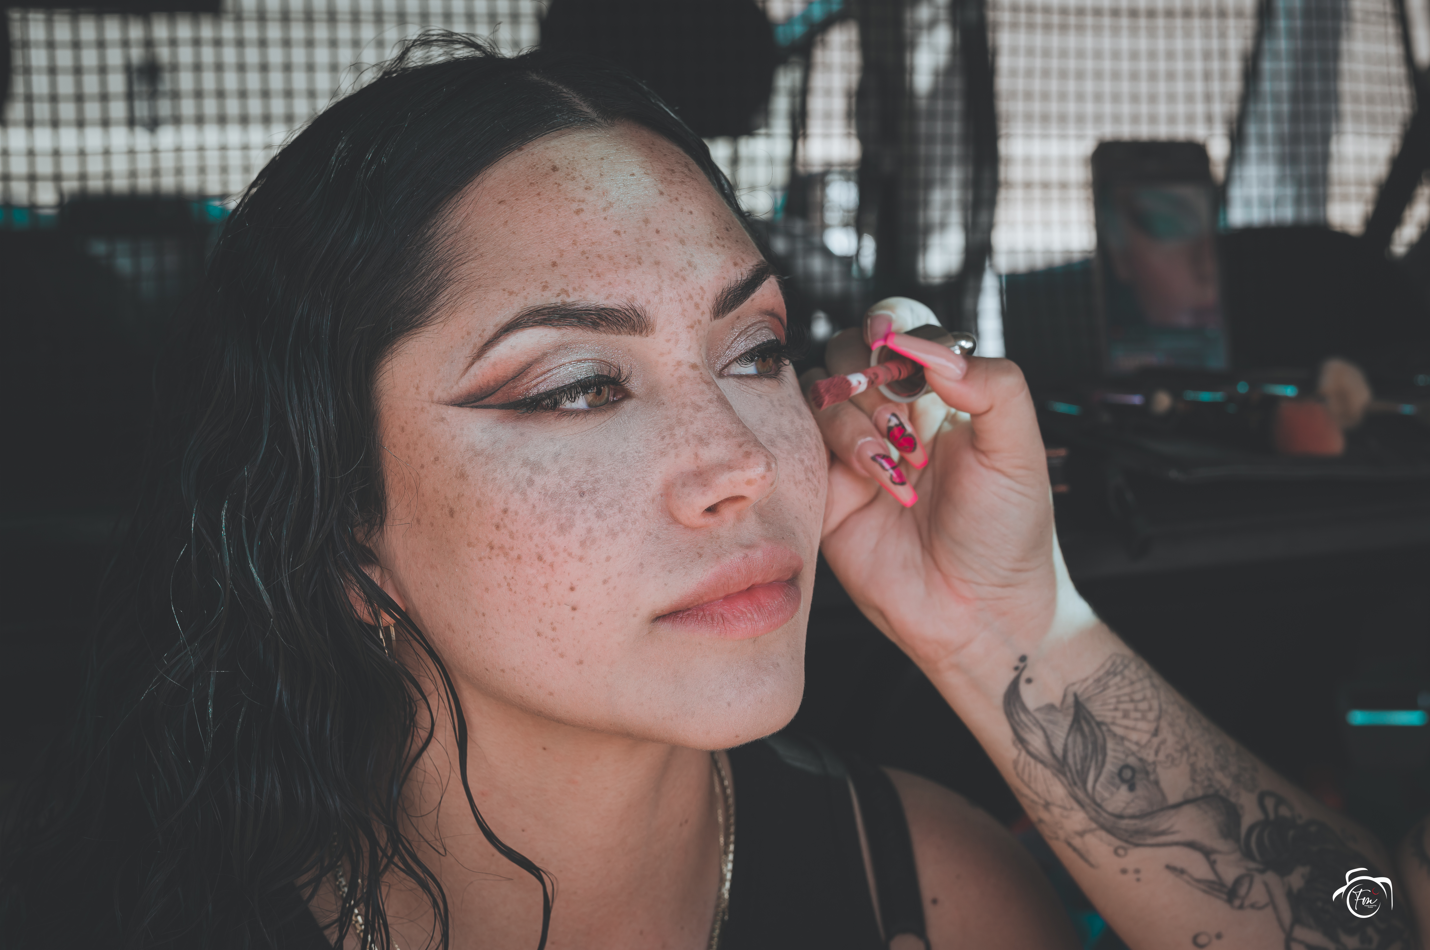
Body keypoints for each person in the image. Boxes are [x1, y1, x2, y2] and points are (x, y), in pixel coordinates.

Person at [0, 36, 1414, 950]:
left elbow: (1369, 923)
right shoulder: (128, 915)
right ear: (340, 529)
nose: (743, 459)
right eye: (576, 386)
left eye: (753, 352)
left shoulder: (933, 890)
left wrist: (1011, 631)